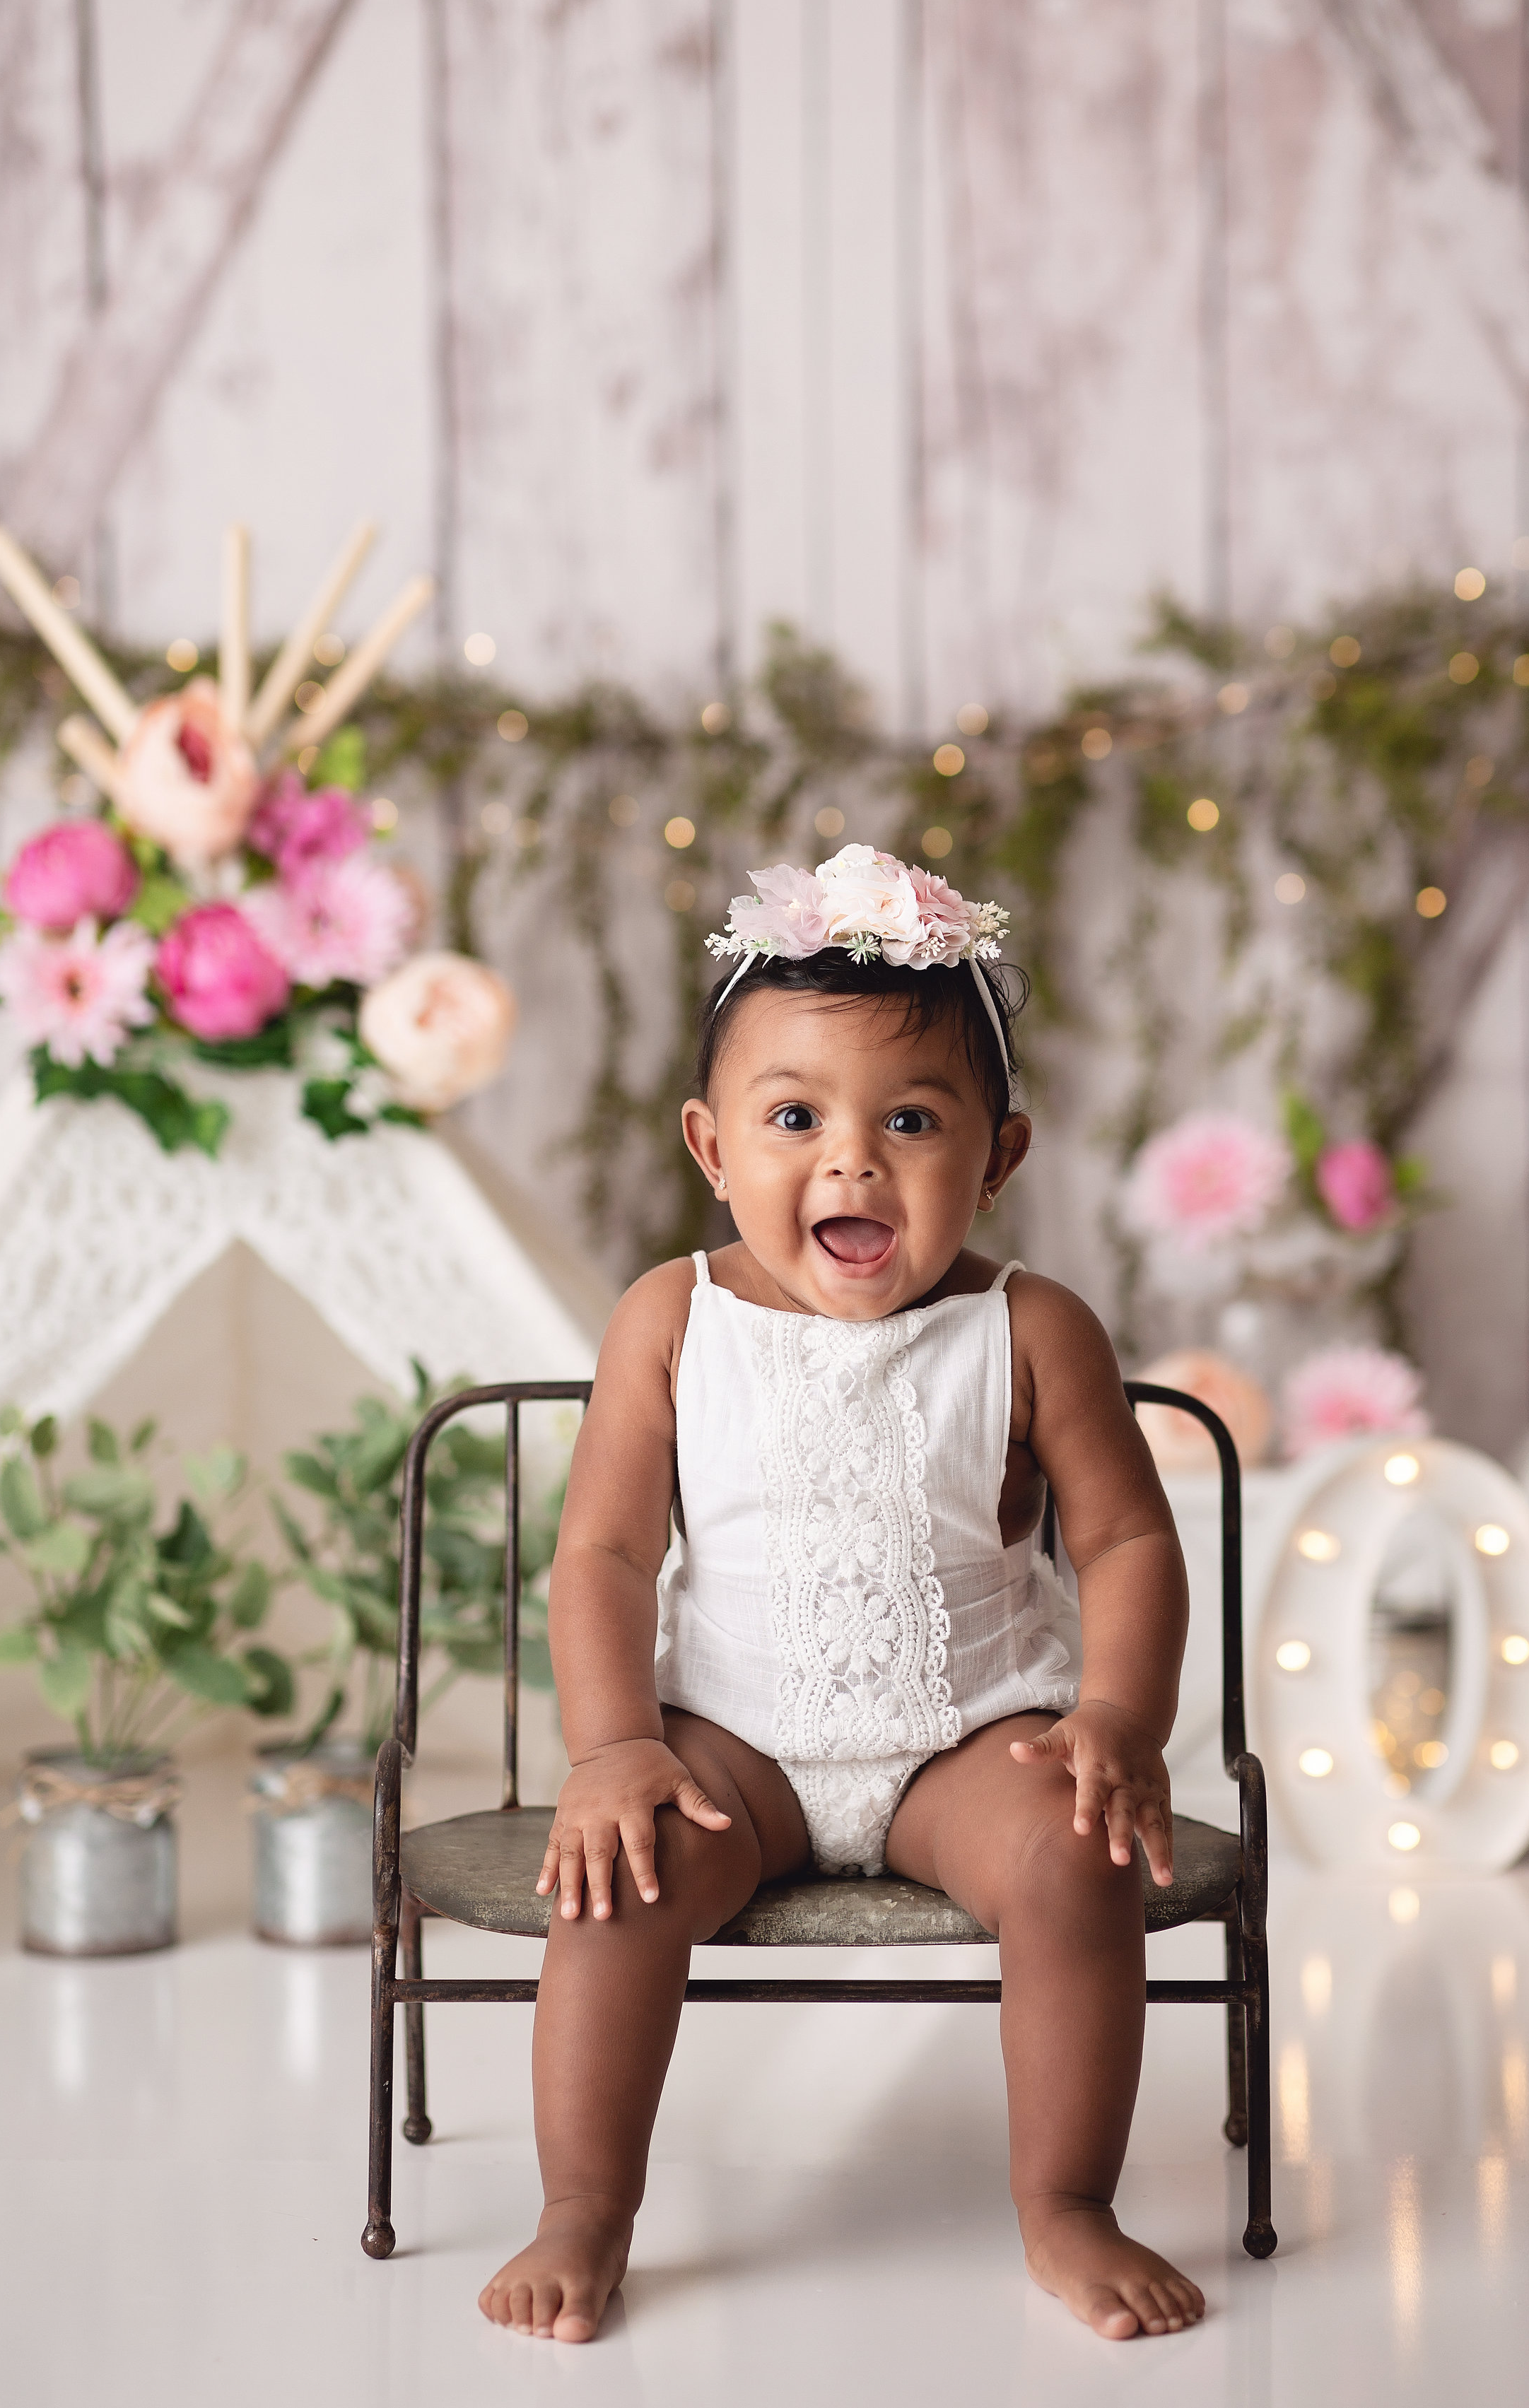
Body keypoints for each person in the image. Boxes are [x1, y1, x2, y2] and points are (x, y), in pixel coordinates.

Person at [479, 845, 1203, 2345]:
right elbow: (605, 1555)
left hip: (965, 1740)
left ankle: (1065, 2200)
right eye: (794, 1117)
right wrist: (616, 1746)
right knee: (617, 1882)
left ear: (998, 1154)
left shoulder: (1030, 1328)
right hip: (730, 1744)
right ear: (710, 1144)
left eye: (912, 1120)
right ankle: (583, 2206)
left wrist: (1118, 1715)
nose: (851, 1161)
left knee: (1076, 1863)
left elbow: (1127, 1541)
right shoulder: (672, 1320)